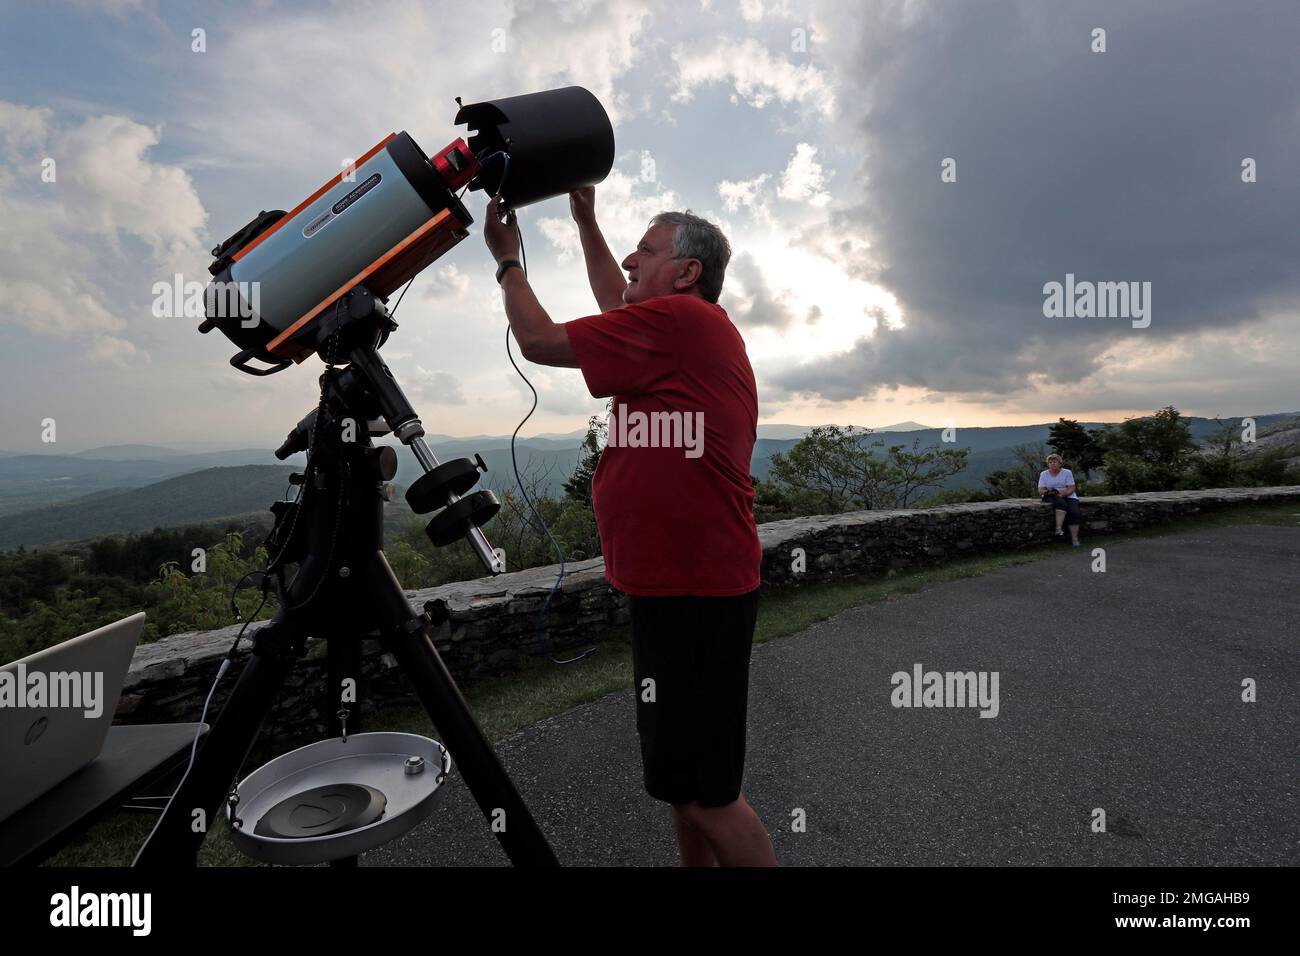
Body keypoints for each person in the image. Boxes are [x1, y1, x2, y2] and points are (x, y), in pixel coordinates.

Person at [480, 187, 776, 867]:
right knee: (682, 782)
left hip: (699, 594)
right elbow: (617, 297)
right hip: (675, 588)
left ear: (686, 272)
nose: (631, 261)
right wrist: (585, 221)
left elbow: (538, 340)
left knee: (711, 794)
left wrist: (507, 262)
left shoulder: (682, 323)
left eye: (646, 250)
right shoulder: (673, 328)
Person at [1037, 453, 1082, 546]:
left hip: (1068, 496)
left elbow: (1071, 488)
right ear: (1048, 464)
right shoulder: (1044, 474)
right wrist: (1053, 492)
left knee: (1074, 513)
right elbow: (1041, 490)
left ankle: (1074, 538)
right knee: (1062, 504)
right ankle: (1058, 529)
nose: (1052, 464)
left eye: (1055, 461)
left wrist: (1062, 494)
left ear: (1060, 463)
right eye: (1050, 462)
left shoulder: (1067, 472)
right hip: (1051, 496)